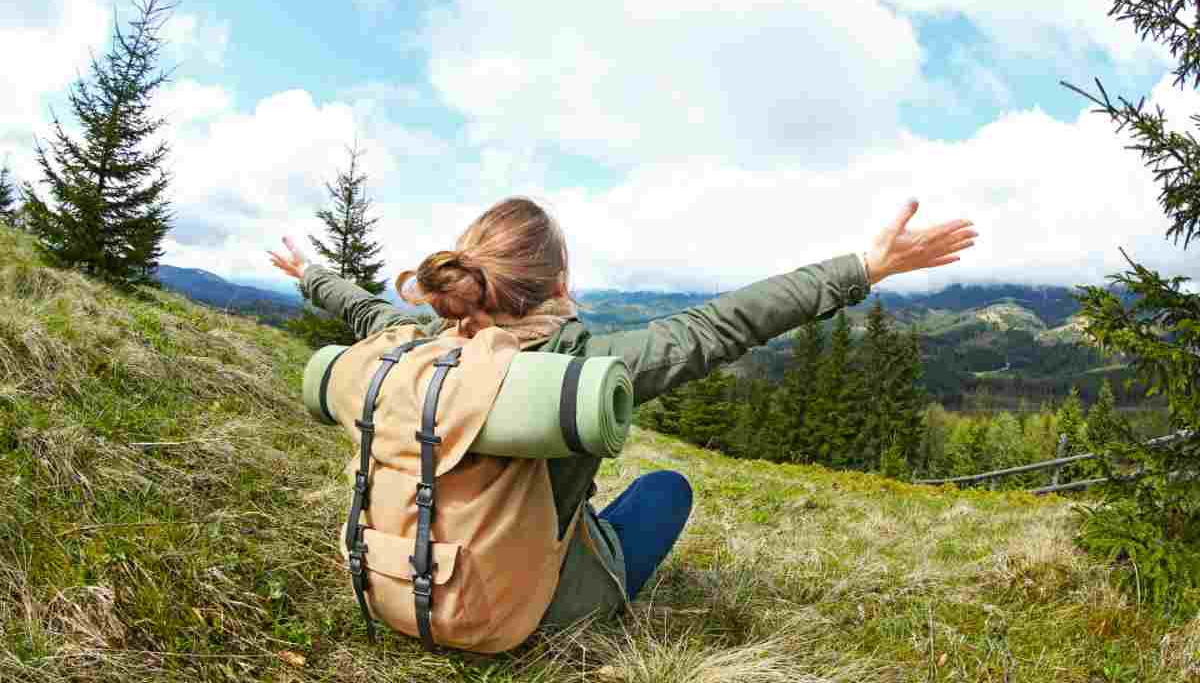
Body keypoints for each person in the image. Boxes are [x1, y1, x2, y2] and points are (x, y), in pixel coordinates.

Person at [268, 195, 976, 630]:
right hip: (529, 614)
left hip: (396, 586)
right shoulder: (579, 366)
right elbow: (718, 327)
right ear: (560, 283)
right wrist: (864, 268)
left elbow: (365, 312)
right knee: (666, 489)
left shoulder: (419, 345)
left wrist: (310, 278)